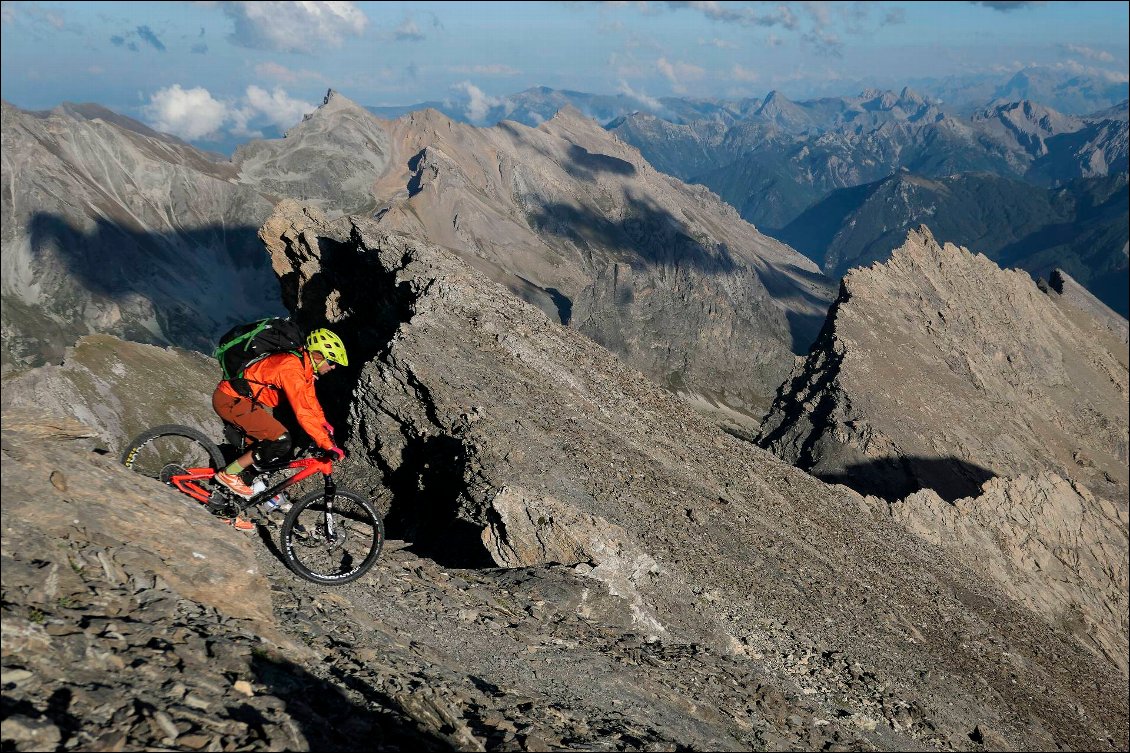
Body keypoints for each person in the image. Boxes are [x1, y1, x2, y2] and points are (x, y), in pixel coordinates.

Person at [210, 328, 349, 530]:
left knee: (263, 458)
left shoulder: (304, 367)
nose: (334, 366)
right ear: (318, 356)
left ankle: (227, 510)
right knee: (280, 440)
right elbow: (302, 412)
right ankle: (228, 474)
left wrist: (324, 425)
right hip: (231, 401)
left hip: (243, 402)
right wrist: (326, 444)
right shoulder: (291, 368)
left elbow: (310, 401)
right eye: (332, 361)